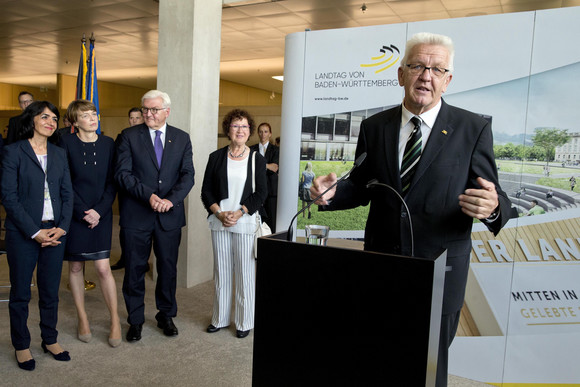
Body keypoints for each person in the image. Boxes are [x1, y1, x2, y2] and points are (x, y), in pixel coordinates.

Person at [310, 32, 511, 387]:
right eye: (417, 66)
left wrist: (493, 207)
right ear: (401, 73)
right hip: (382, 266)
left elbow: (494, 195)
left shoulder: (473, 128)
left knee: (430, 371)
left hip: (441, 272)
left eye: (436, 69)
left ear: (448, 80)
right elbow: (361, 186)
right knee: (378, 359)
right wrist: (330, 194)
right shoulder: (375, 126)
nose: (426, 76)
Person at [115, 90, 195, 341]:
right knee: (135, 270)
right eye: (145, 109)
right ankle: (135, 319)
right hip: (136, 214)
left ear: (166, 111)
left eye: (154, 110)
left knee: (168, 269)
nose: (148, 114)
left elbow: (187, 175)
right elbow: (123, 174)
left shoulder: (181, 138)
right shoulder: (128, 136)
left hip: (169, 216)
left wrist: (170, 200)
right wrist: (149, 196)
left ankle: (166, 314)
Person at [1, 101, 73, 370]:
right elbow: (8, 197)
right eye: (45, 117)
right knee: (21, 293)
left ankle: (50, 339)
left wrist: (62, 227)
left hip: (55, 230)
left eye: (55, 118)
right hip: (24, 234)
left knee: (50, 291)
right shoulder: (13, 152)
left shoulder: (58, 153)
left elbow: (68, 193)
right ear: (32, 120)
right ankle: (21, 345)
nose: (51, 122)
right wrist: (34, 232)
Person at [58, 100, 120, 347]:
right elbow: (65, 181)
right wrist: (83, 211)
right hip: (75, 215)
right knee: (75, 268)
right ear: (74, 121)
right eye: (85, 115)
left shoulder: (108, 144)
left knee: (103, 268)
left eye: (94, 113)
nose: (92, 118)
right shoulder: (65, 143)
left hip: (101, 215)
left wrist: (99, 211)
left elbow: (112, 181)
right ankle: (82, 318)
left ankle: (114, 320)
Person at [201, 109, 267, 339]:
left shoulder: (257, 158)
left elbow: (261, 194)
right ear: (228, 130)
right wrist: (220, 214)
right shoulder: (215, 157)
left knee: (245, 273)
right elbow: (206, 191)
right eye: (236, 126)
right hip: (219, 222)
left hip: (245, 222)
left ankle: (244, 321)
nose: (240, 130)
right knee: (222, 272)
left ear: (250, 131)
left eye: (245, 126)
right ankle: (219, 319)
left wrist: (238, 213)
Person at [110, 106, 146, 271]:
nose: (134, 121)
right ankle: (125, 258)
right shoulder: (122, 136)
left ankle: (143, 261)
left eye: (137, 117)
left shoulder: (148, 137)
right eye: (131, 118)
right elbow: (117, 163)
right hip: (126, 189)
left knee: (145, 229)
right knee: (126, 227)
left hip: (145, 189)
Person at [250, 122, 279, 231]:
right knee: (256, 222)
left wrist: (258, 165)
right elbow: (249, 167)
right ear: (258, 133)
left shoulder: (276, 150)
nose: (263, 134)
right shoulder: (251, 150)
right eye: (261, 131)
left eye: (266, 132)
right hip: (255, 191)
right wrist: (267, 166)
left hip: (271, 192)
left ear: (270, 134)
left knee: (272, 222)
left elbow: (274, 168)